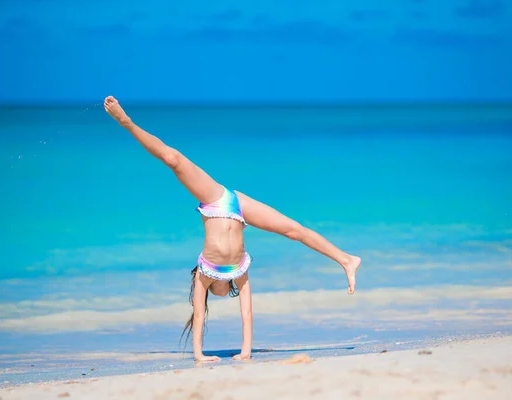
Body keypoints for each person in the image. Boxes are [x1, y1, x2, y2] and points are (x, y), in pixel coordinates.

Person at [103, 96, 361, 362]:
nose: (225, 294)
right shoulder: (239, 272)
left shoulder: (203, 274)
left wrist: (199, 356)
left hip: (217, 200)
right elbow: (247, 315)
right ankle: (347, 260)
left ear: (215, 286)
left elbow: (199, 313)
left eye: (221, 293)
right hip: (238, 206)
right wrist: (245, 353)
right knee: (293, 230)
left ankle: (127, 122)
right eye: (228, 293)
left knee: (174, 160)